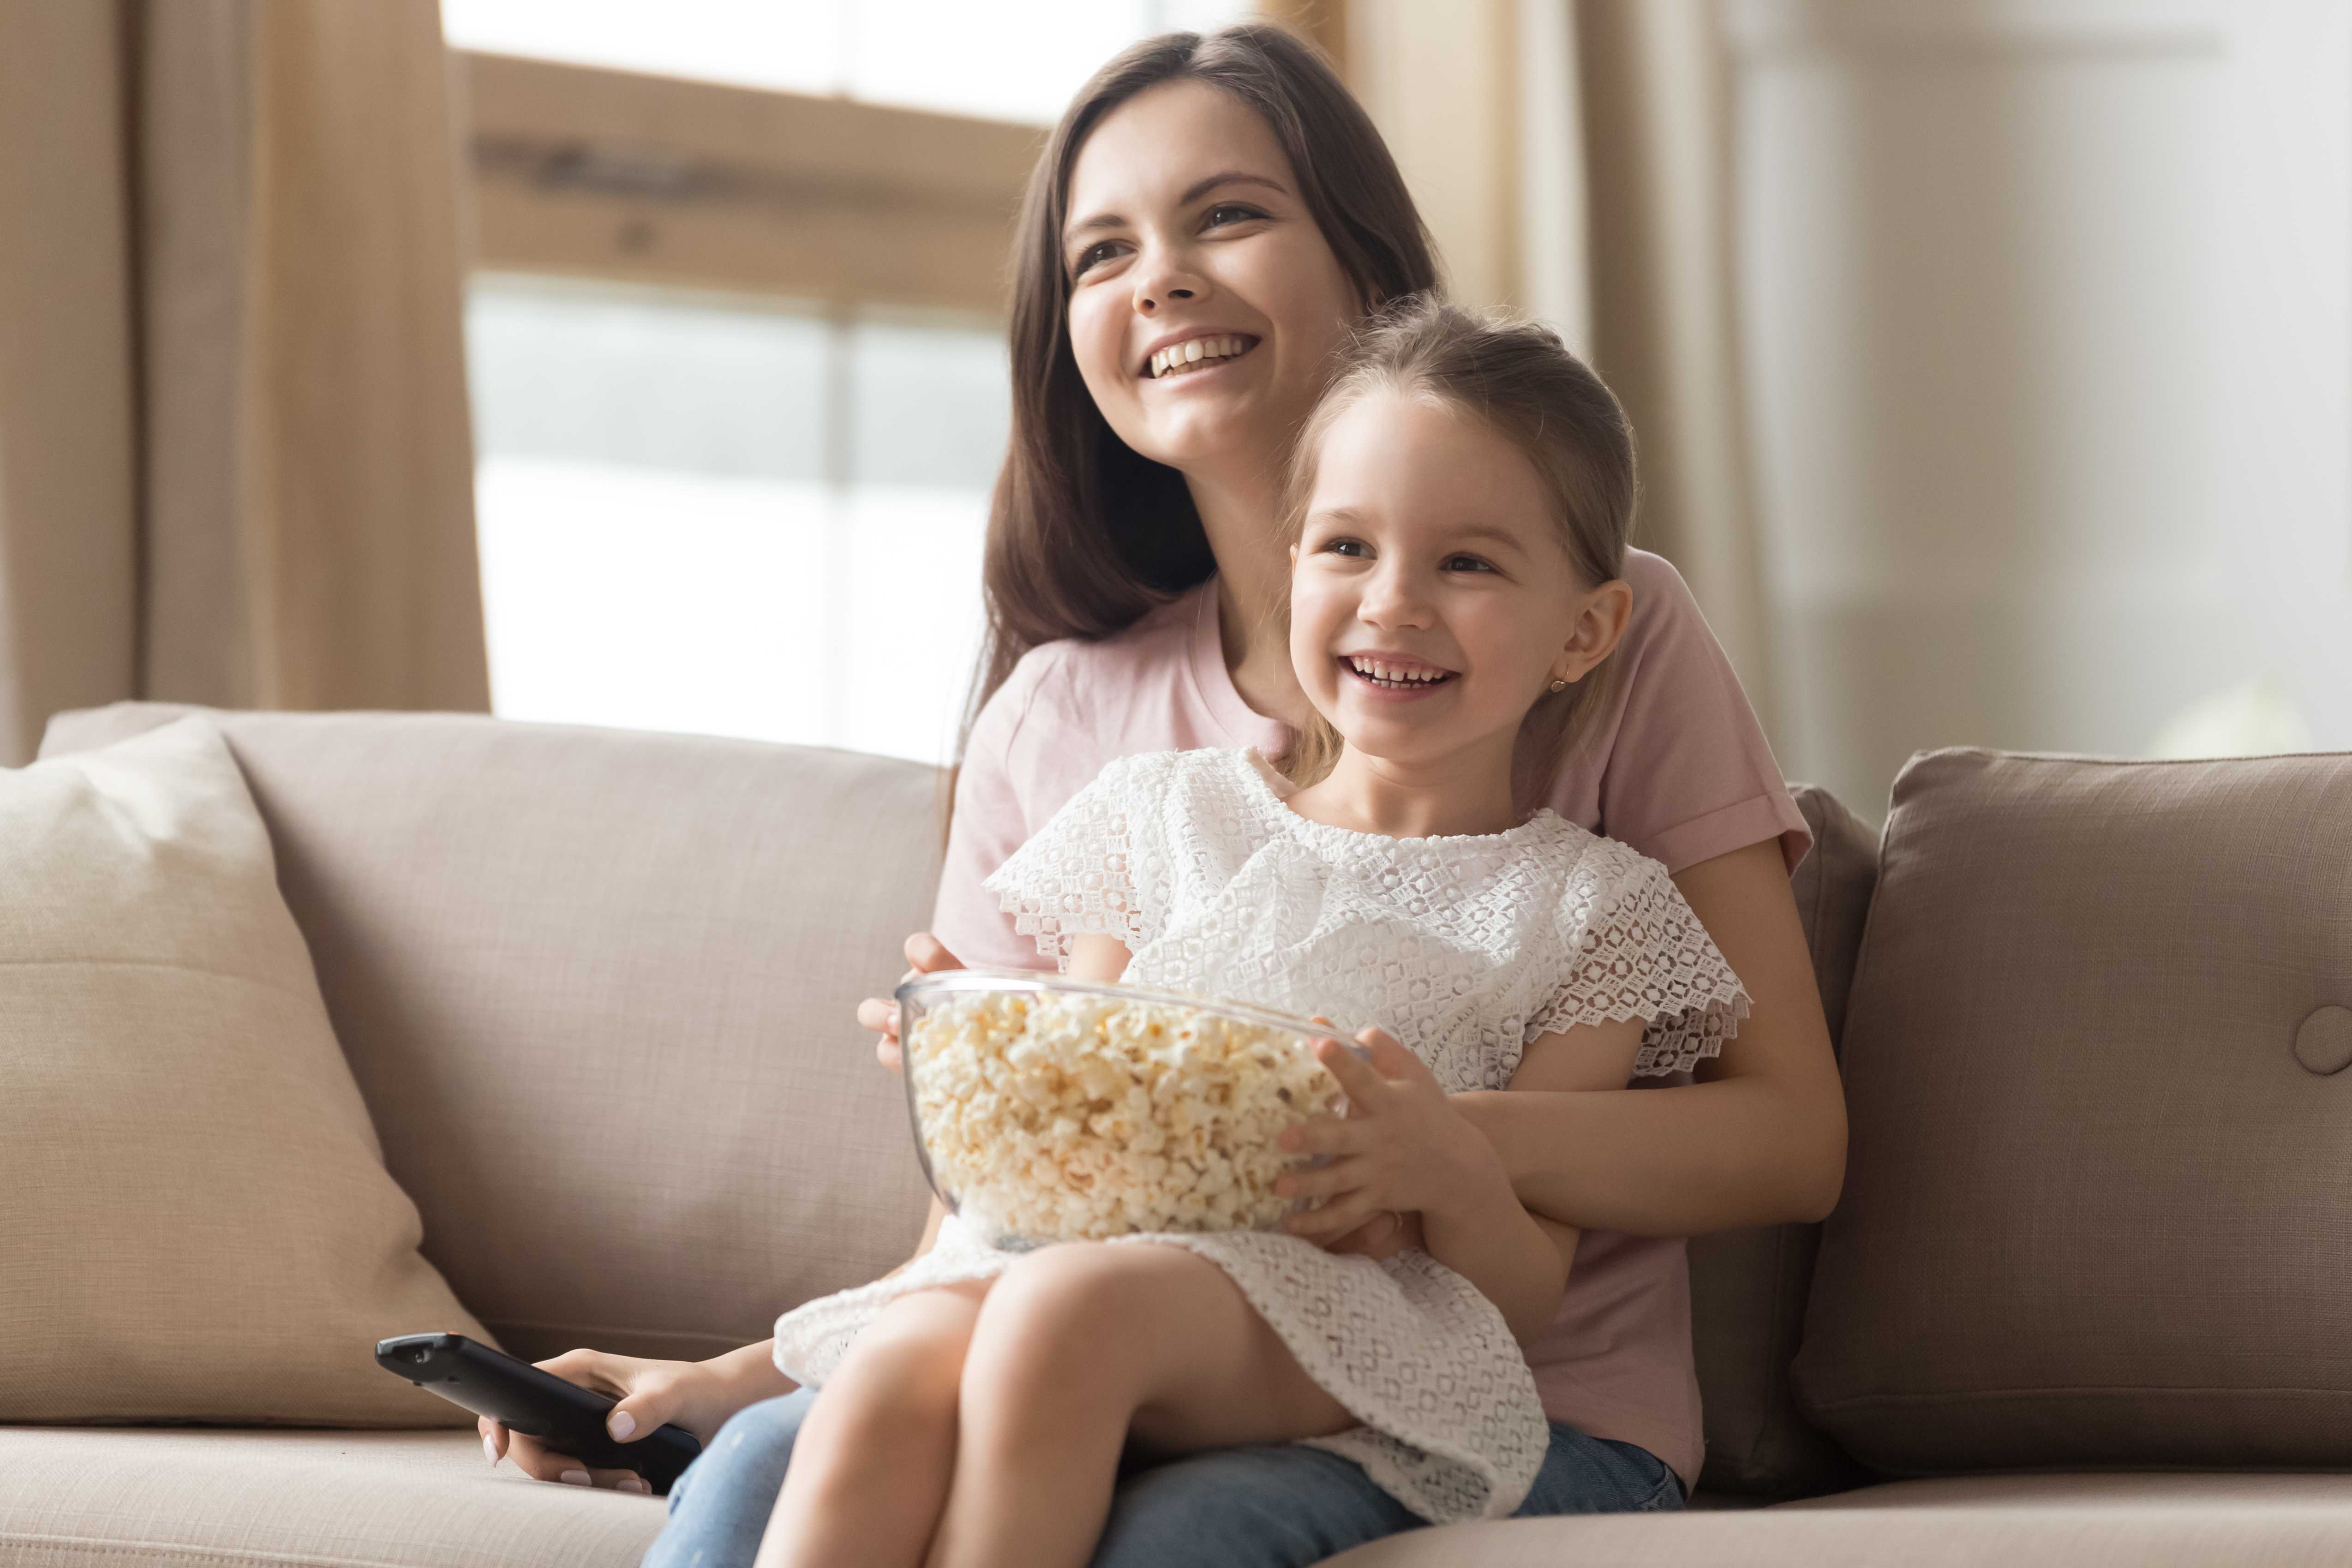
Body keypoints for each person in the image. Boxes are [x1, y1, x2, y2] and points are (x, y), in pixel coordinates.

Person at [485, 23, 1846, 1568]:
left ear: (1365, 263)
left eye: (1227, 215)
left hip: (1505, 1393)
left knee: (1183, 1525)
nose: (1163, 278)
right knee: (754, 1476)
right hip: (1086, 1317)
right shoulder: (1077, 726)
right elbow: (999, 1222)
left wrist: (1380, 1137)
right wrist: (742, 1361)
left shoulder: (1601, 638)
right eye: (1102, 252)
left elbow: (1788, 1139)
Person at [754, 293, 1751, 1568]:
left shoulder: (1590, 911)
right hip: (1101, 1262)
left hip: (1353, 1320)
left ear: (1584, 633)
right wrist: (988, 1056)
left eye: (1467, 563)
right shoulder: (1157, 813)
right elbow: (1076, 1129)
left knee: (1062, 1314)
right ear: (1290, 569)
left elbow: (1523, 1291)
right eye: (1344, 548)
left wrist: (1442, 1164)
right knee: (898, 1364)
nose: (1392, 603)